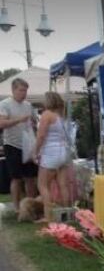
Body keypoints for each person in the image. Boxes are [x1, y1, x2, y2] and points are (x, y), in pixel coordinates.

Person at [32, 92, 72, 222]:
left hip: (50, 153)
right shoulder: (62, 116)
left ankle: (48, 216)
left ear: (48, 101)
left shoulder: (46, 115)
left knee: (43, 185)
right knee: (63, 185)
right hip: (64, 153)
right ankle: (67, 214)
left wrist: (35, 152)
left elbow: (41, 136)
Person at [0, 78, 38, 211]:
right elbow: (2, 124)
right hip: (12, 145)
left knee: (31, 178)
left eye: (25, 90)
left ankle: (31, 206)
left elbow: (34, 123)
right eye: (21, 90)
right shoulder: (5, 104)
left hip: (28, 146)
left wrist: (34, 125)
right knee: (16, 178)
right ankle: (17, 208)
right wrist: (19, 120)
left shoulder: (28, 105)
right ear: (13, 90)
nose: (24, 93)